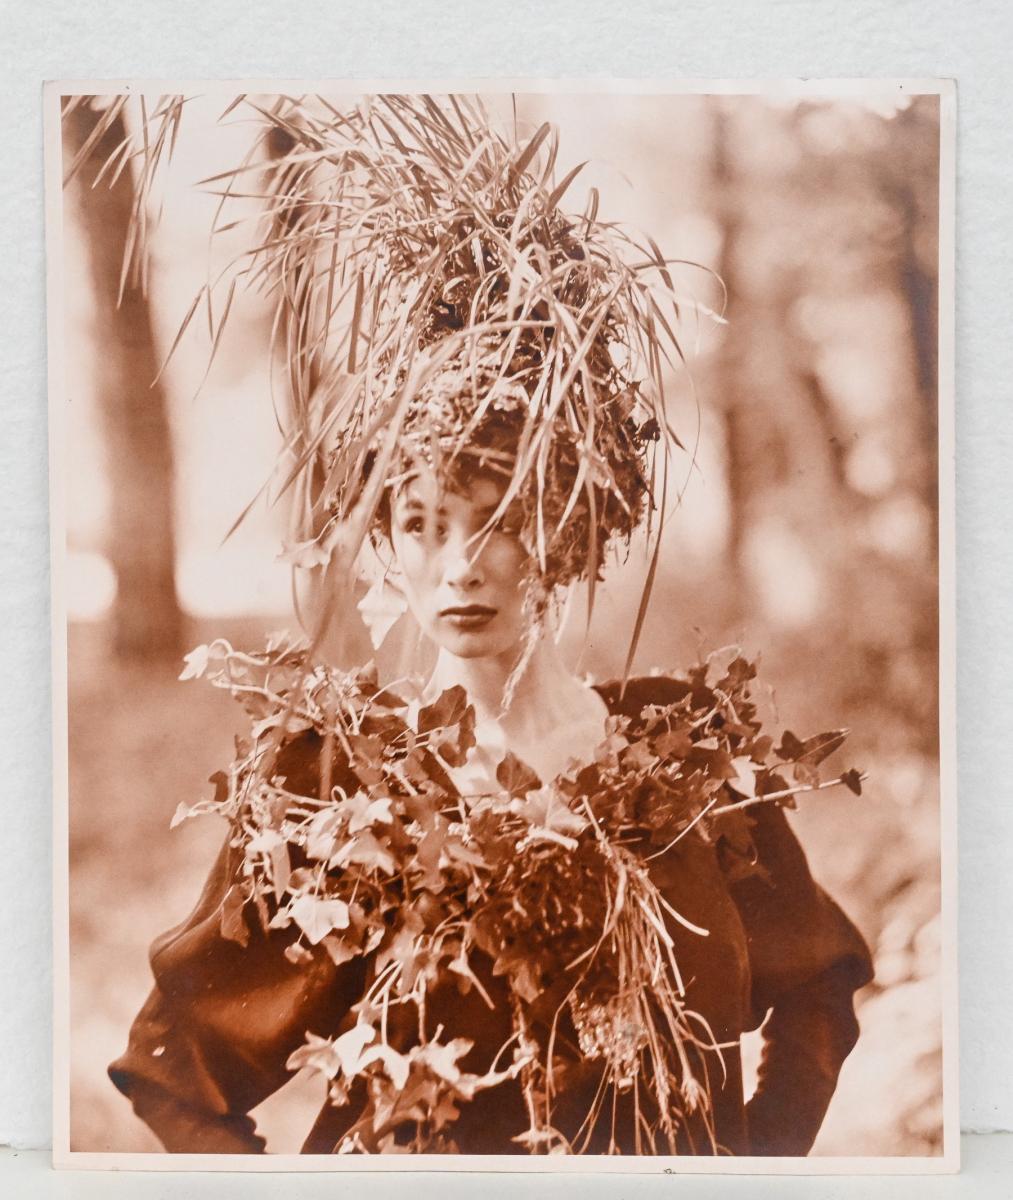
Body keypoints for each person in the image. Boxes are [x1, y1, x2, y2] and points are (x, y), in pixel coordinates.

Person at [107, 93, 873, 1157]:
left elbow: (817, 994)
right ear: (384, 549)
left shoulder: (687, 755)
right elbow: (173, 1074)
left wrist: (749, 1166)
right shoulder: (337, 782)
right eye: (420, 526)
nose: (461, 564)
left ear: (566, 534)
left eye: (500, 519)